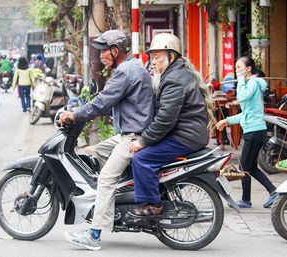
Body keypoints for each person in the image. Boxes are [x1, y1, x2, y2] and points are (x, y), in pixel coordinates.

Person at [60, 29, 155, 250]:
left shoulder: (125, 71)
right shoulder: (132, 67)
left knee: (105, 180)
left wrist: (75, 114)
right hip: (129, 133)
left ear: (116, 50)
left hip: (134, 136)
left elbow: (103, 101)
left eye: (104, 51)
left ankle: (94, 235)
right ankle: (118, 197)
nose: (101, 56)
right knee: (99, 150)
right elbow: (107, 101)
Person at [128, 33, 216, 215]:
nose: (153, 62)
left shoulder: (174, 79)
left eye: (157, 57)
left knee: (142, 158)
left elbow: (165, 119)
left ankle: (152, 205)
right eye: (151, 57)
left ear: (171, 56)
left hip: (184, 136)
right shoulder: (177, 73)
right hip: (188, 133)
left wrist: (143, 141)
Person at [216, 56, 278, 208]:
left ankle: (252, 198)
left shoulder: (253, 84)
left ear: (248, 69)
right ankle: (269, 193)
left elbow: (242, 96)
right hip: (254, 130)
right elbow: (246, 112)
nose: (237, 71)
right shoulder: (251, 84)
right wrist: (227, 120)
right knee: (250, 167)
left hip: (255, 131)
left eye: (239, 67)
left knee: (245, 167)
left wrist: (241, 79)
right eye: (236, 68)